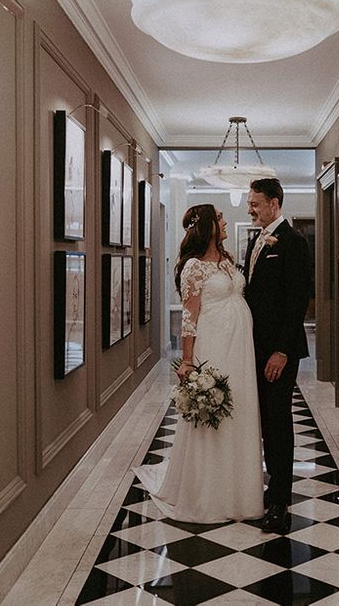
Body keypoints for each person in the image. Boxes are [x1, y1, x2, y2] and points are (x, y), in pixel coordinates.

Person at [134, 204, 263, 522]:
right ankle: (208, 492)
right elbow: (189, 318)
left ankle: (240, 489)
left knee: (240, 409)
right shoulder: (193, 267)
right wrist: (188, 361)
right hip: (214, 342)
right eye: (219, 218)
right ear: (207, 225)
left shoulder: (227, 259)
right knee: (217, 408)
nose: (225, 221)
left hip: (240, 347)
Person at [244, 178, 312, 533]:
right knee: (264, 422)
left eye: (255, 203)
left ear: (274, 203)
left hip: (278, 352)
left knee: (278, 422)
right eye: (249, 202)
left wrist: (282, 351)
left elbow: (297, 301)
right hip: (254, 350)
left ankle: (281, 502)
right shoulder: (256, 241)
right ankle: (268, 491)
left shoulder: (293, 242)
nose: (250, 209)